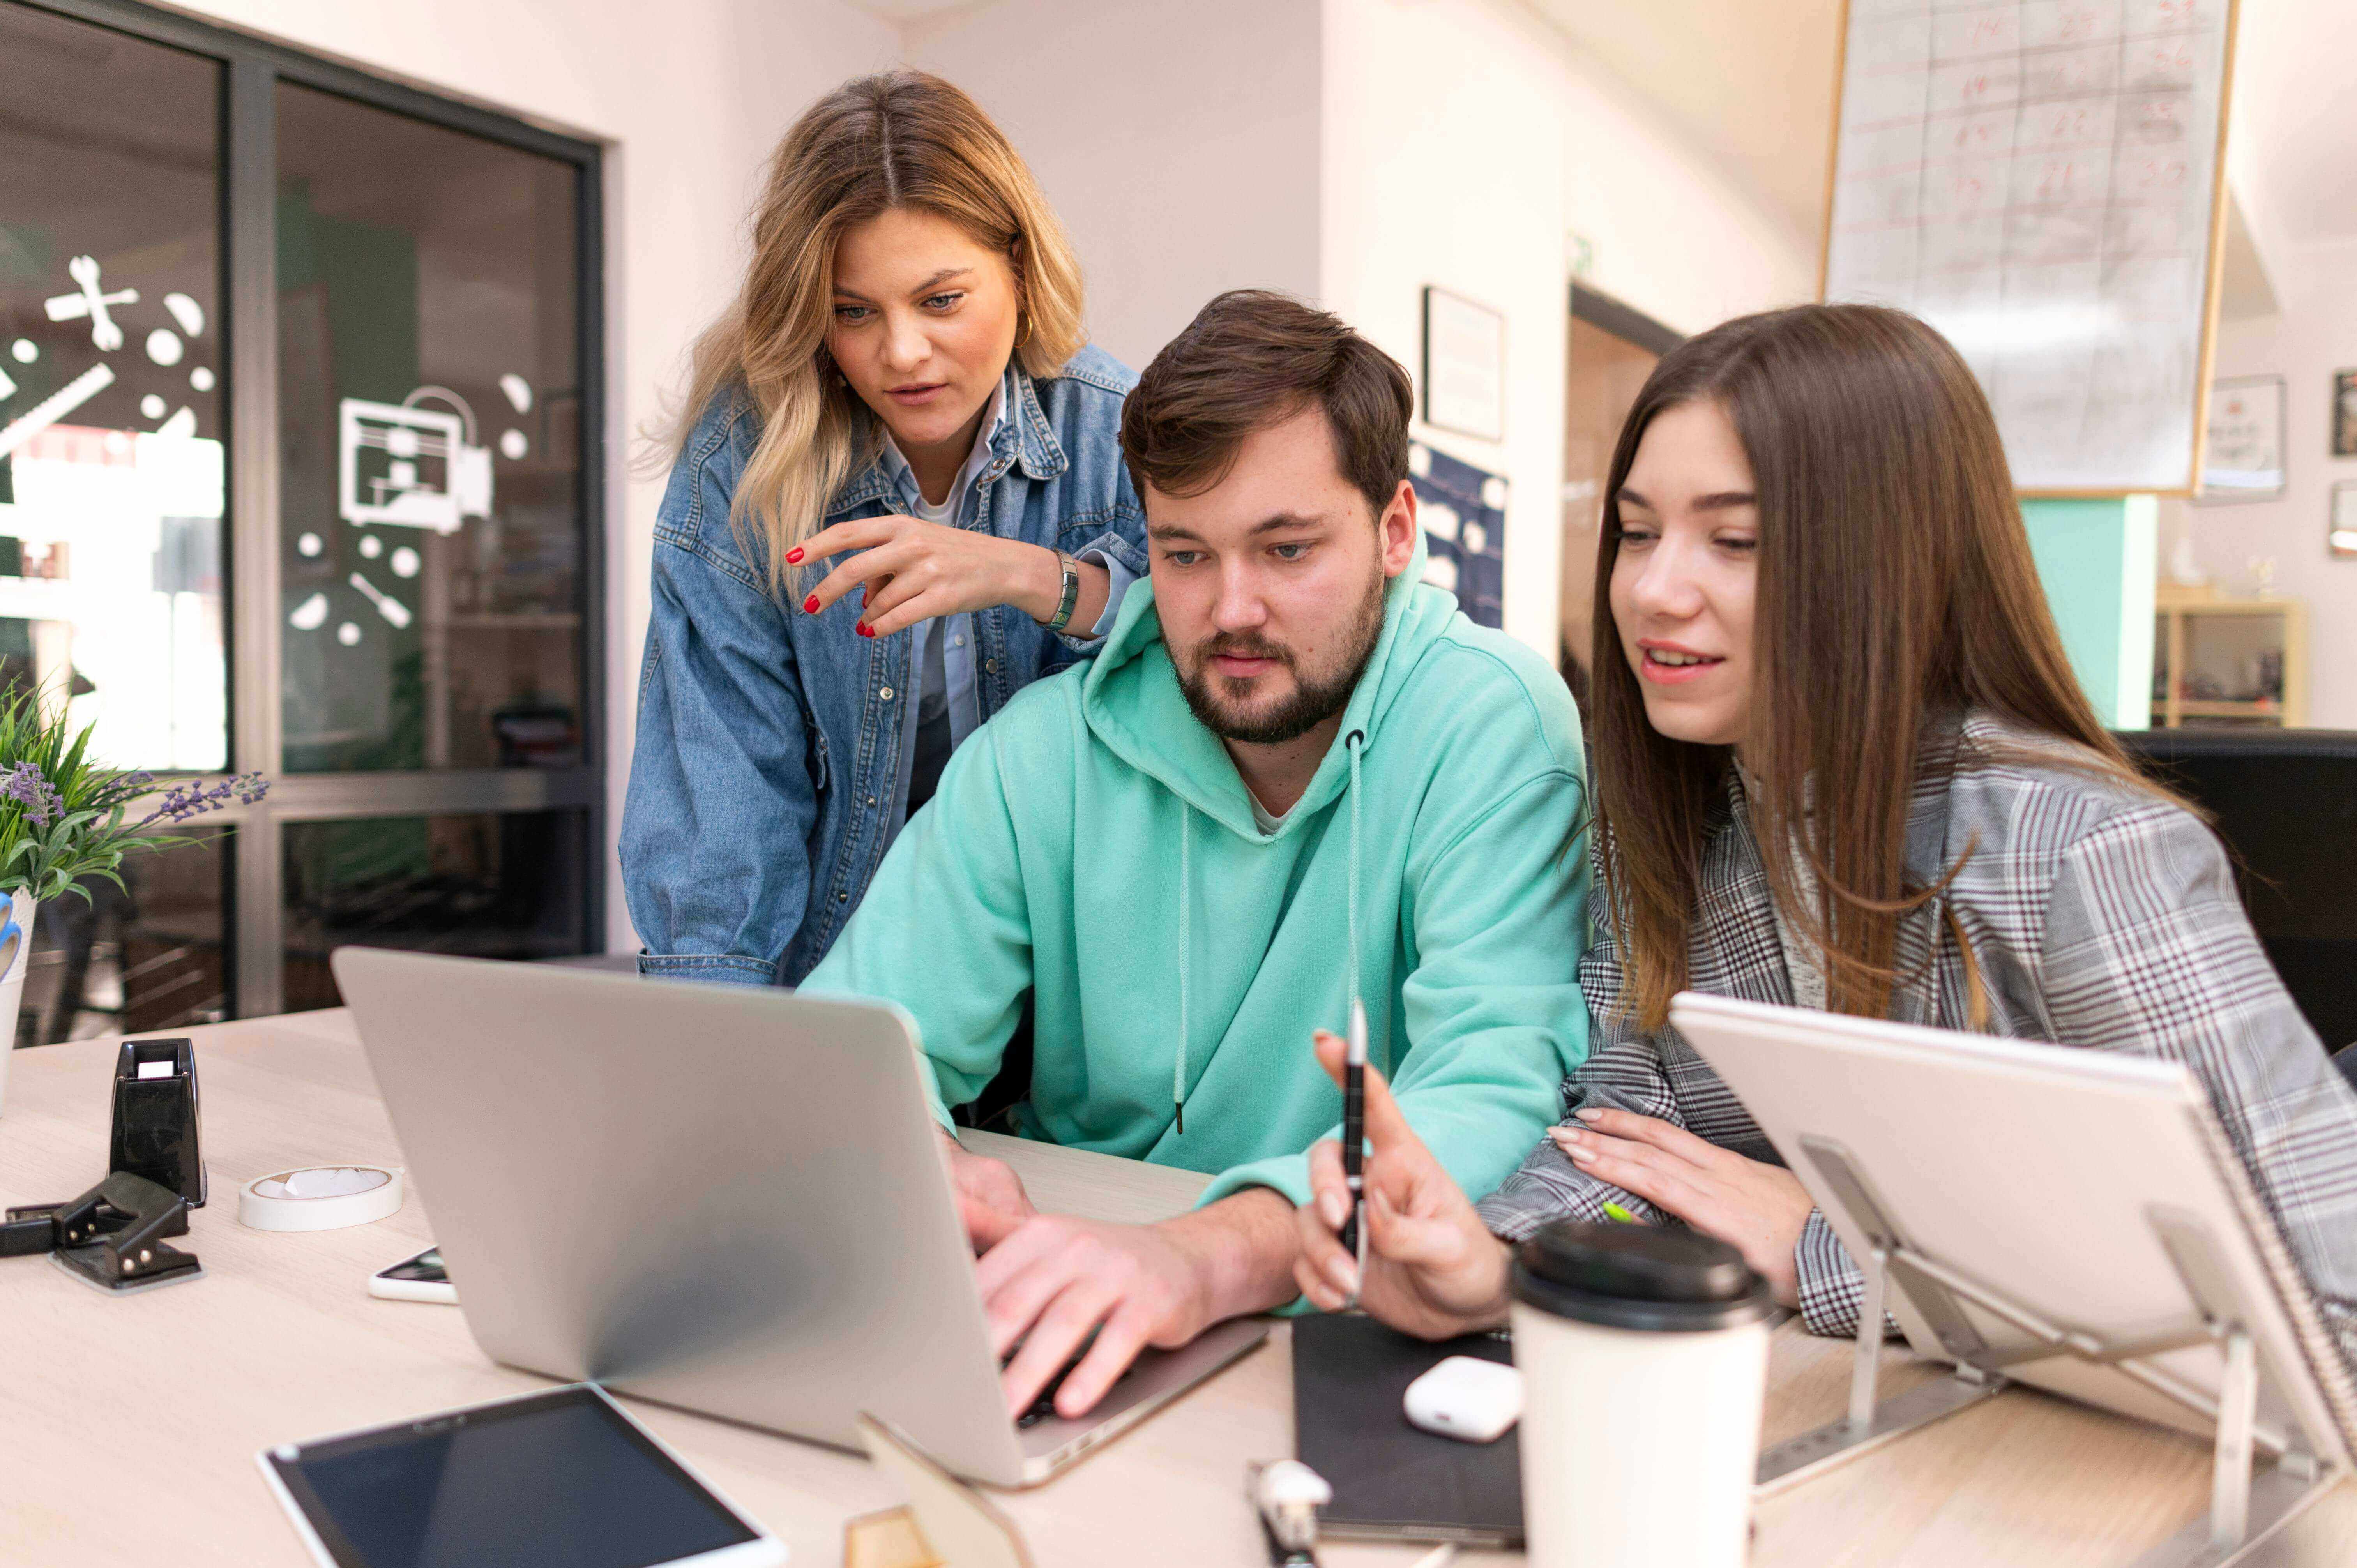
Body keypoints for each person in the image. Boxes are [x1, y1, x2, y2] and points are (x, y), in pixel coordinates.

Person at [1291, 303, 2357, 1374]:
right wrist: (1504, 1263)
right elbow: (1635, 1152)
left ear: (1889, 562)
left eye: (1736, 540)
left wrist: (1825, 1246)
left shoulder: (2079, 852)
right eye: (1637, 531)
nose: (1655, 591)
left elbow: (2325, 1296)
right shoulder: (1660, 821)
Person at [800, 290, 1591, 1420]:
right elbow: (859, 1043)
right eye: (1183, 554)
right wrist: (922, 1161)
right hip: (1073, 1288)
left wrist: (1205, 1258)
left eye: (1287, 549)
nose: (1231, 609)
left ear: (1396, 531)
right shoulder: (1045, 751)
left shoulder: (1495, 723)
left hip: (1354, 1322)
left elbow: (1493, 1089)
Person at [623, 71, 1147, 987]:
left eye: (941, 300)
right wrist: (714, 1062)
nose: (900, 353)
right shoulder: (742, 464)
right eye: (853, 311)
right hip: (848, 982)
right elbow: (723, 802)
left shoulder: (1118, 434)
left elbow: (1211, 661)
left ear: (1021, 269)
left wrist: (1037, 577)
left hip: (1087, 996)